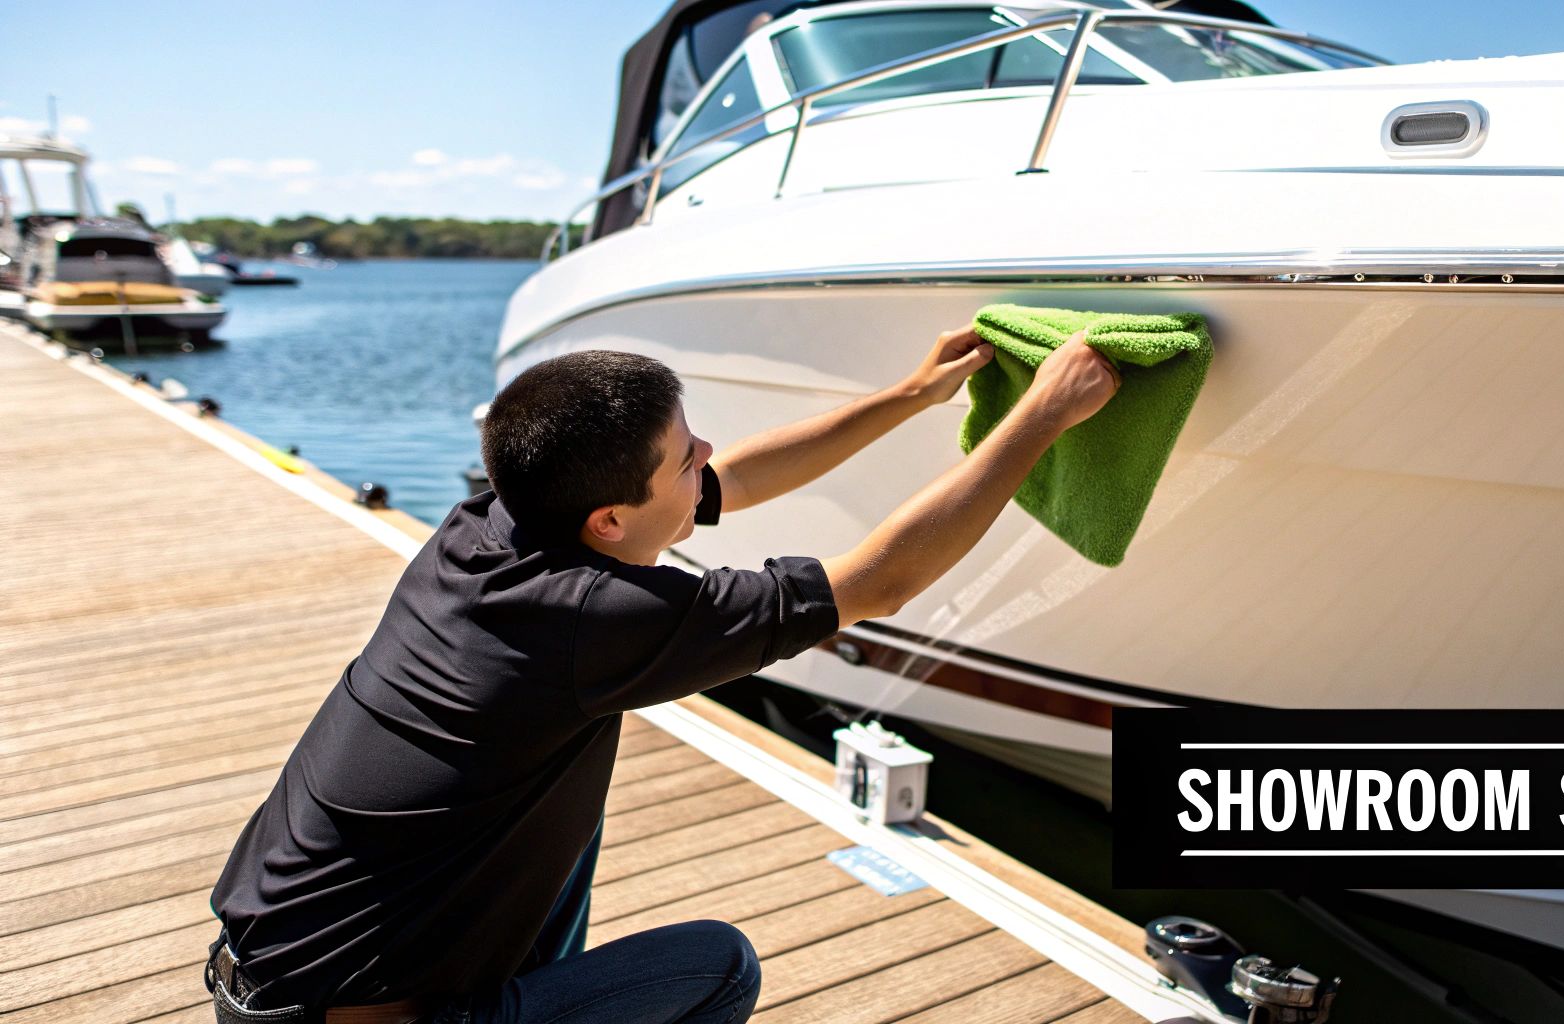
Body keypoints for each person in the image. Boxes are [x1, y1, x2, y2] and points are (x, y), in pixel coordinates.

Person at [205, 325, 1120, 1024]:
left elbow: (740, 480)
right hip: (346, 1012)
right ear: (609, 518)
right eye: (688, 456)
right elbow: (879, 583)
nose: (709, 459)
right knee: (719, 967)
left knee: (569, 816)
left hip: (277, 962)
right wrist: (1039, 415)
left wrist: (915, 394)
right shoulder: (595, 619)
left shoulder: (493, 521)